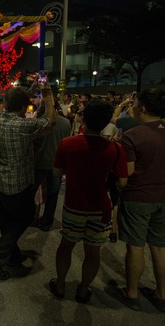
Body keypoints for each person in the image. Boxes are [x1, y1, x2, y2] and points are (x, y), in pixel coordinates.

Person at [49, 100, 128, 303]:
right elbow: (122, 182)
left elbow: (57, 172)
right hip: (101, 207)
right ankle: (83, 290)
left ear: (84, 118)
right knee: (93, 251)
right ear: (107, 122)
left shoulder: (68, 144)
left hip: (74, 205)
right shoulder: (116, 149)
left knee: (66, 245)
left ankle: (60, 285)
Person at [0, 82, 56, 281]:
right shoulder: (24, 125)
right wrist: (47, 97)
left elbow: (16, 102)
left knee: (7, 220)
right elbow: (50, 122)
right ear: (23, 107)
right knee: (25, 216)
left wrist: (28, 91)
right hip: (18, 184)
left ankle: (11, 255)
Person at [106, 88, 165, 312]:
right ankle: (162, 295)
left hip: (138, 197)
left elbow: (126, 173)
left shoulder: (133, 135)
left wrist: (119, 186)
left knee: (136, 247)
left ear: (142, 109)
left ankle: (131, 293)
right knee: (161, 247)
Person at [32, 101, 71, 232]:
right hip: (56, 164)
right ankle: (46, 222)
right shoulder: (66, 123)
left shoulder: (39, 122)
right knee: (53, 195)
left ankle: (31, 217)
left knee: (31, 191)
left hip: (39, 162)